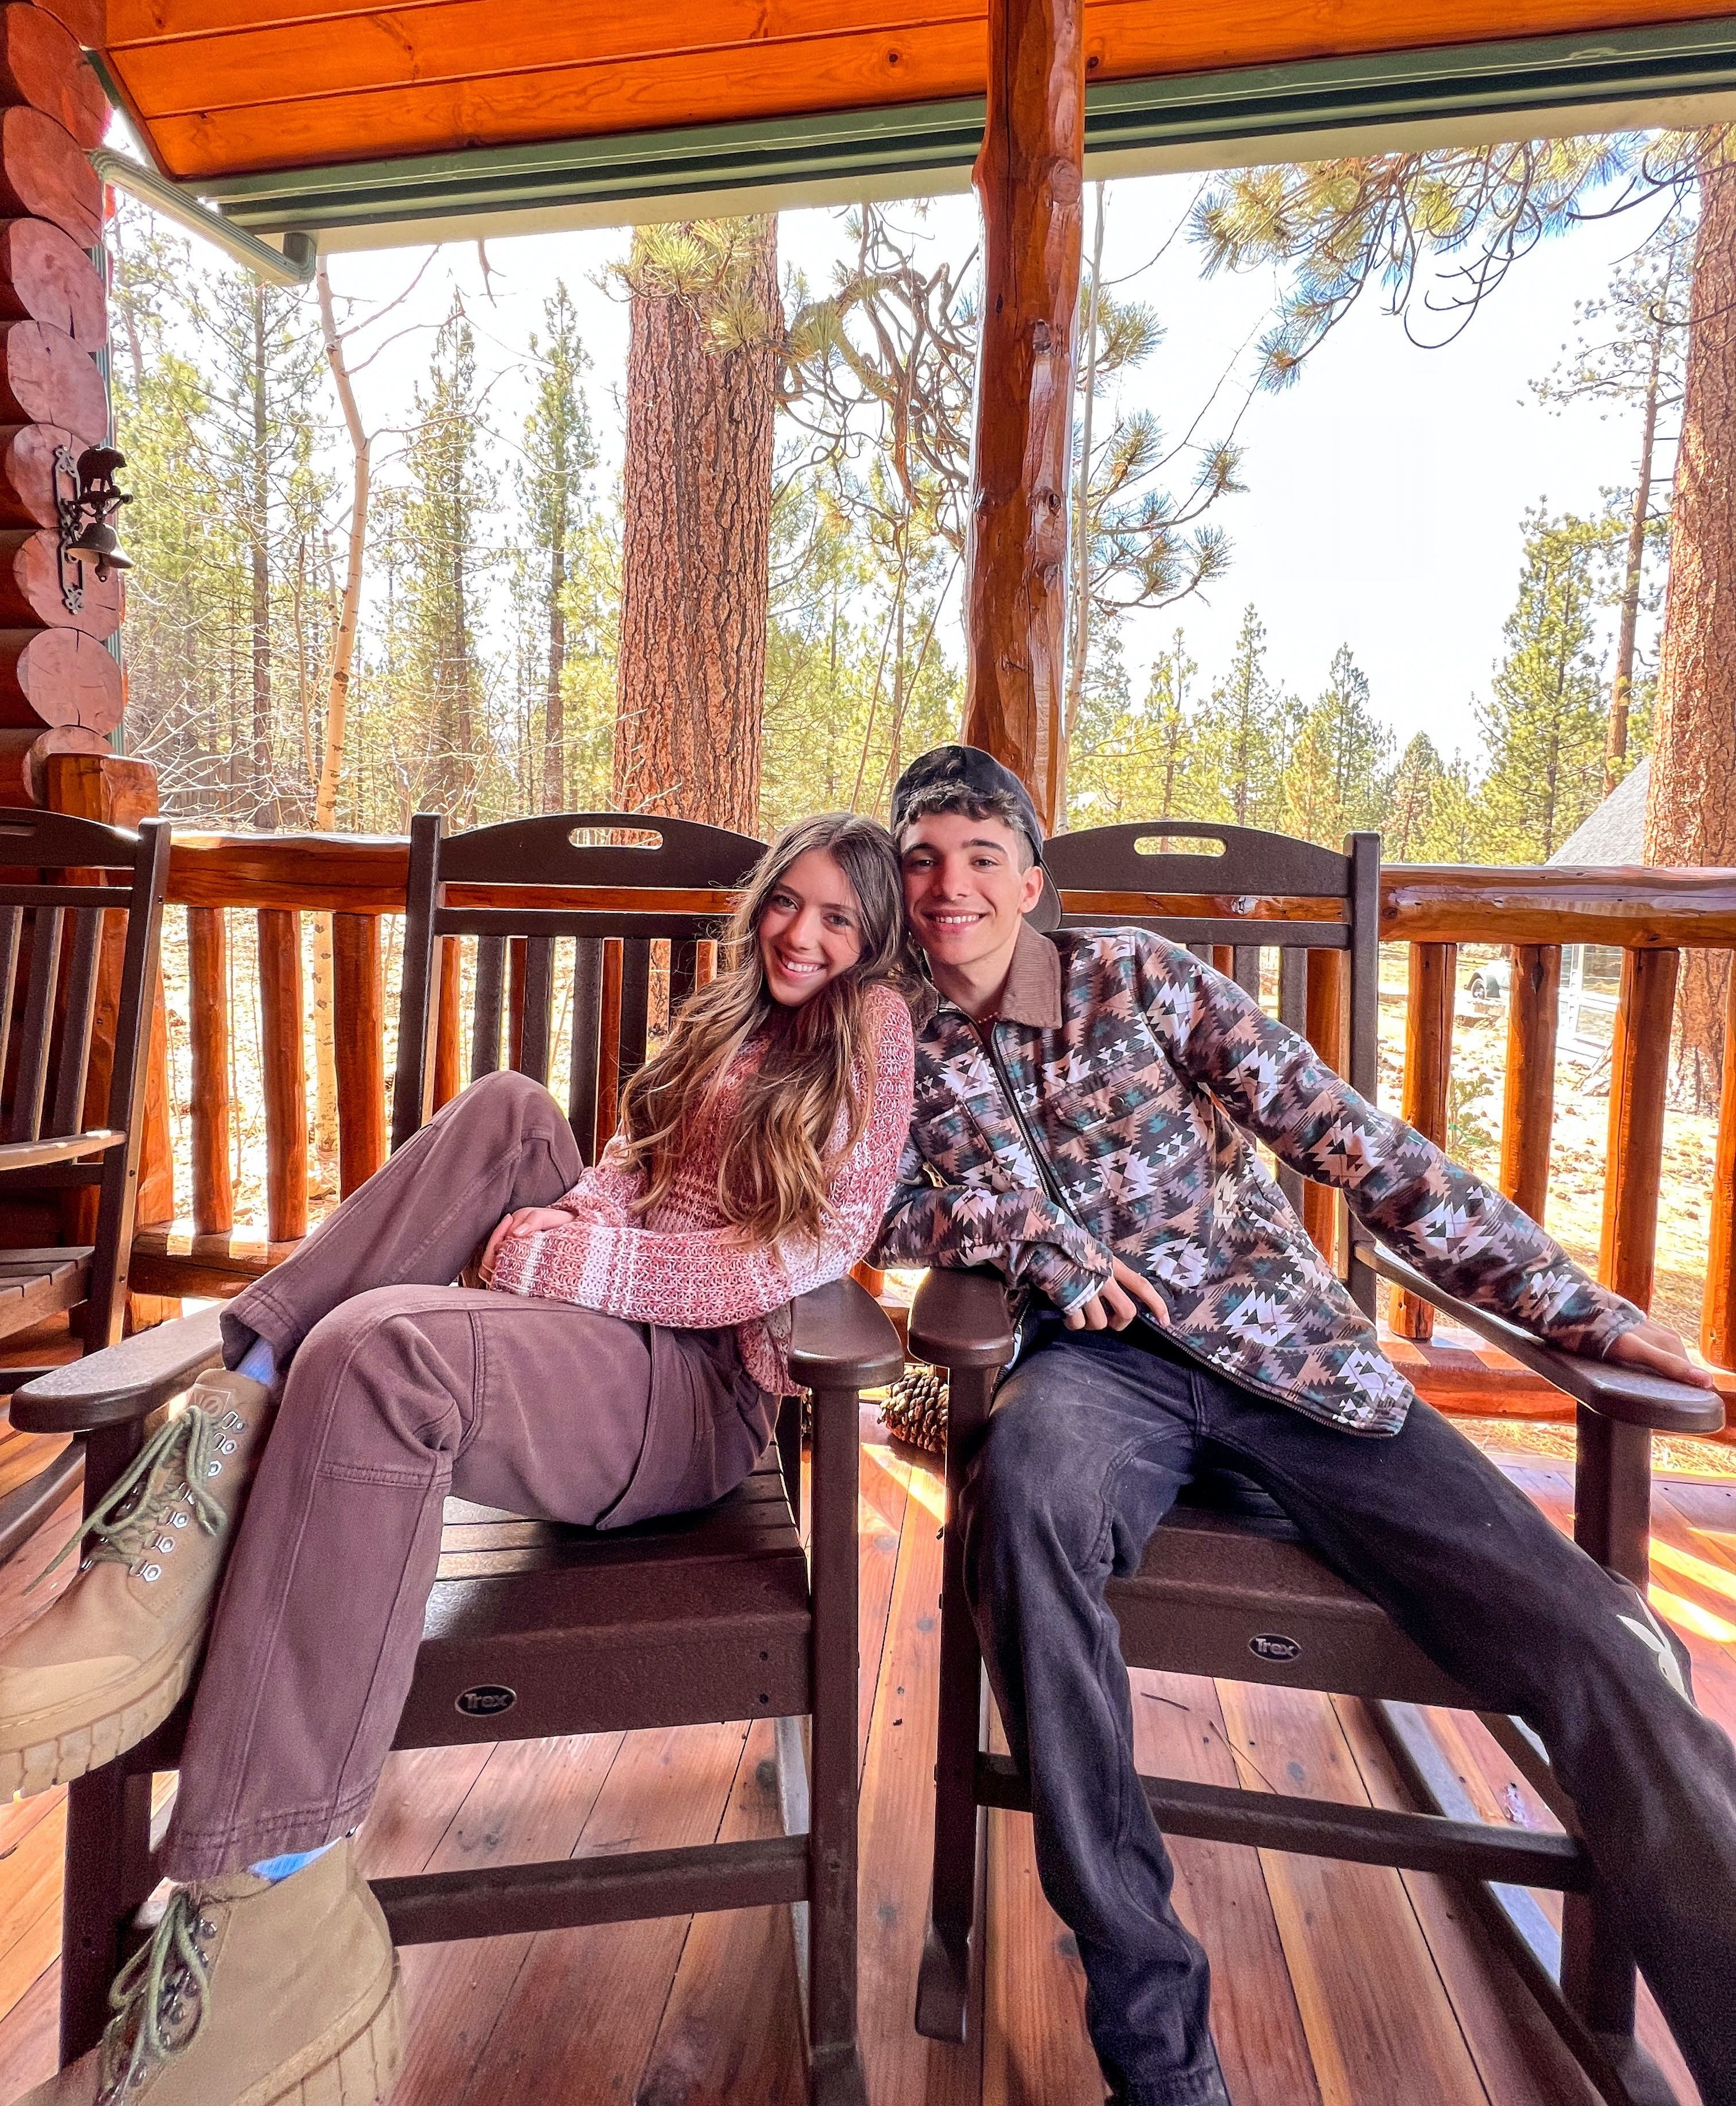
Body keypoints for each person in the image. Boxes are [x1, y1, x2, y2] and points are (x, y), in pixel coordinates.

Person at [0, 811, 916, 2106]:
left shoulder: (874, 1031)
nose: (803, 934)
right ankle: (231, 1421)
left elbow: (799, 1254)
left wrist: (562, 1256)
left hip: (690, 1393)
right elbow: (631, 1172)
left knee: (381, 1353)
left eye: (839, 919)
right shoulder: (734, 1012)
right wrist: (579, 1216)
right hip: (605, 1332)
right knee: (506, 1109)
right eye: (791, 902)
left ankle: (269, 1909)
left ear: (872, 942)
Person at [874, 743, 1736, 2106]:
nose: (949, 884)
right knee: (1021, 1506)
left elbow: (1352, 1138)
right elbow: (861, 1208)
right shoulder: (889, 1035)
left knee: (1602, 1637)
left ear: (1032, 880)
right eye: (922, 855)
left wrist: (1572, 1305)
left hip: (1295, 1358)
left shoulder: (1137, 975)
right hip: (1099, 1372)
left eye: (982, 854)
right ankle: (1159, 2059)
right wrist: (1020, 1233)